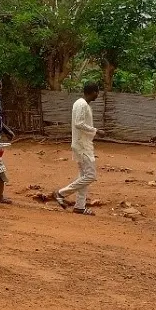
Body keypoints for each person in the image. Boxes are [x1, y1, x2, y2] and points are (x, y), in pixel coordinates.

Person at [55, 82, 103, 215]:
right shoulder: (82, 104)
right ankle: (61, 193)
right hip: (82, 145)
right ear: (94, 92)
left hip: (82, 144)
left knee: (83, 176)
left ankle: (80, 206)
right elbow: (78, 123)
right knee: (91, 175)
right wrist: (96, 130)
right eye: (97, 92)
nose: (98, 95)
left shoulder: (80, 103)